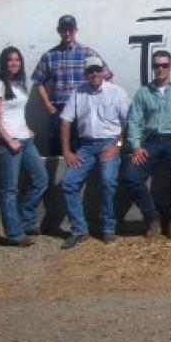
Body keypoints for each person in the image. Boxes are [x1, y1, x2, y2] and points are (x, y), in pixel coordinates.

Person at [122, 50, 171, 240]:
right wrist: (136, 146)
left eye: (164, 65)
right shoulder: (143, 93)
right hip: (152, 141)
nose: (160, 69)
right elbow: (134, 121)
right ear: (152, 68)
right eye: (156, 66)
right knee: (131, 177)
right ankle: (152, 217)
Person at [59, 56, 131, 249]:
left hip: (110, 142)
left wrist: (116, 146)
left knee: (107, 181)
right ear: (85, 74)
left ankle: (108, 228)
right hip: (86, 146)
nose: (94, 74)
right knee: (68, 183)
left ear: (103, 72)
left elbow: (129, 123)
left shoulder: (117, 93)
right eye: (90, 71)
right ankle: (79, 229)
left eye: (97, 70)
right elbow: (65, 121)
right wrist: (67, 150)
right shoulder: (78, 93)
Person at [0, 47, 48, 247]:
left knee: (41, 179)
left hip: (25, 139)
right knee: (9, 190)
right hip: (9, 142)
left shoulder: (20, 85)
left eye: (17, 60)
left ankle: (25, 220)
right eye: (9, 60)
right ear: (3, 63)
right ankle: (14, 234)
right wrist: (9, 140)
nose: (14, 63)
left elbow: (16, 113)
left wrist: (27, 129)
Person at [32, 14, 112, 156]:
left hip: (82, 110)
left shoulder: (88, 53)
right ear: (59, 31)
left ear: (75, 30)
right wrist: (49, 107)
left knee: (81, 153)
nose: (67, 33)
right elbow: (39, 82)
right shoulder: (50, 56)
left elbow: (107, 75)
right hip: (60, 111)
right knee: (58, 153)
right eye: (64, 30)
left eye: (70, 29)